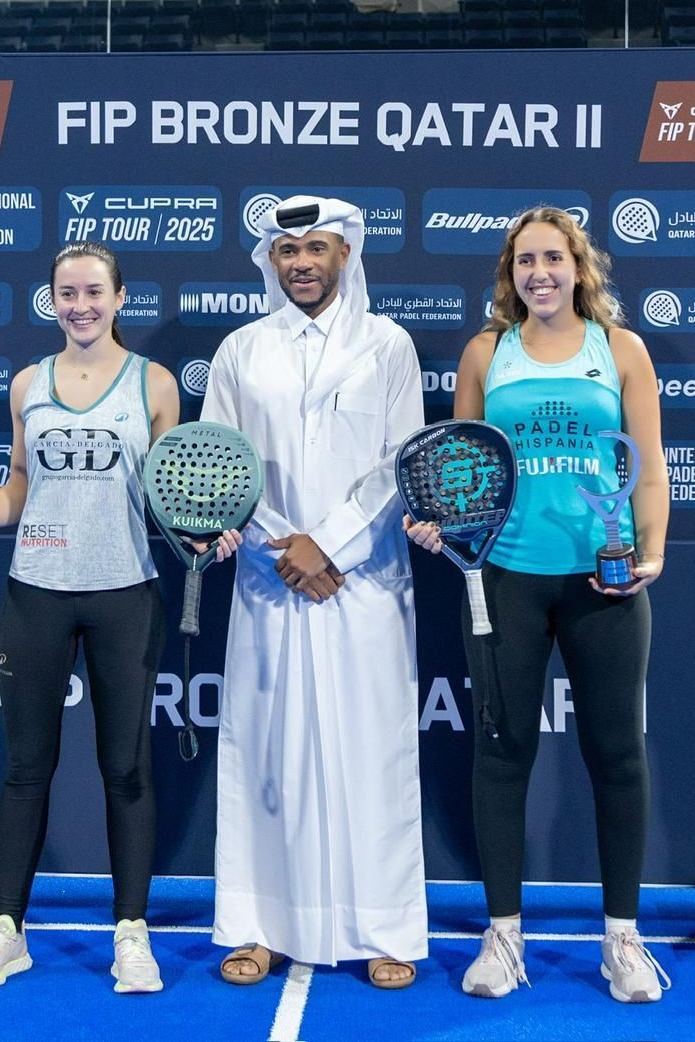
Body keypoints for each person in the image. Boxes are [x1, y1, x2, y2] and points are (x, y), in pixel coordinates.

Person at [405, 207, 671, 1003]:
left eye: (553, 258)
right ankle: (503, 937)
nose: (540, 273)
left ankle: (622, 940)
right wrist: (440, 523)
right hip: (504, 580)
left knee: (617, 755)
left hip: (604, 582)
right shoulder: (486, 353)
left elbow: (651, 465)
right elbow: (462, 469)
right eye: (525, 261)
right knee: (501, 753)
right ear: (509, 273)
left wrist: (652, 554)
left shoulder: (620, 349)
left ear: (578, 267)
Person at [0, 242, 181, 992]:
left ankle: (131, 933)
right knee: (26, 768)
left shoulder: (155, 384)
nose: (80, 306)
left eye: (94, 292)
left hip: (125, 592)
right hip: (36, 590)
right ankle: (8, 930)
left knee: (126, 769)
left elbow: (168, 491)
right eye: (68, 293)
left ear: (120, 298)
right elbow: (20, 486)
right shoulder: (28, 384)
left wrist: (198, 527)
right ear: (52, 301)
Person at [198, 195, 428, 989]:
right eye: (287, 250)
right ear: (270, 261)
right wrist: (285, 548)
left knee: (373, 753)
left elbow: (402, 465)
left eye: (316, 248)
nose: (301, 263)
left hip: (364, 584)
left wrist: (327, 545)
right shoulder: (240, 351)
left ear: (346, 254)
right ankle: (258, 927)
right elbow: (218, 465)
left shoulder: (388, 345)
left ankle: (384, 929)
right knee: (269, 754)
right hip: (269, 583)